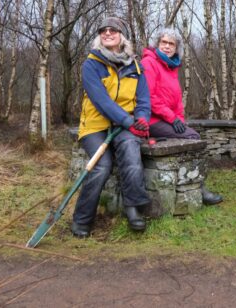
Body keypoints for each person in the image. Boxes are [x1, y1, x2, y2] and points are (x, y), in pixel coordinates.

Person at [71, 17, 151, 238]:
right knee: (101, 166)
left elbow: (143, 100)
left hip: (126, 124)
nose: (107, 33)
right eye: (103, 30)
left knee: (131, 153)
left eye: (113, 30)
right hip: (96, 125)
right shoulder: (91, 64)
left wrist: (142, 119)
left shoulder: (136, 66)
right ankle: (82, 219)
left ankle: (134, 209)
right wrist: (129, 122)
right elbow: (101, 102)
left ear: (121, 36)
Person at [140, 28, 223, 205]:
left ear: (177, 49)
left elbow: (177, 101)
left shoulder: (172, 67)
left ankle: (195, 183)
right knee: (193, 137)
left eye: (172, 44)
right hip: (152, 120)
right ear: (157, 44)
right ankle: (200, 188)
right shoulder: (149, 63)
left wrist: (179, 120)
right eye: (164, 42)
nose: (167, 47)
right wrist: (172, 119)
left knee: (189, 134)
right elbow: (149, 97)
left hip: (166, 119)